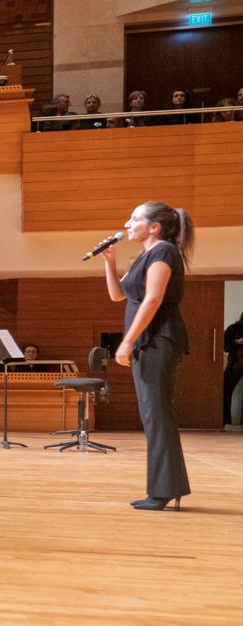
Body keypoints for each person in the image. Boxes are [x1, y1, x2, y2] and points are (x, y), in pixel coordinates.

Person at [102, 201, 193, 509]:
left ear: (154, 227)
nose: (128, 223)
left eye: (135, 218)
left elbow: (153, 300)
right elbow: (118, 295)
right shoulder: (146, 255)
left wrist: (128, 341)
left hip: (157, 340)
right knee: (153, 415)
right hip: (148, 342)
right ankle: (168, 487)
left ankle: (163, 490)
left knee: (157, 415)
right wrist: (109, 261)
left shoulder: (164, 251)